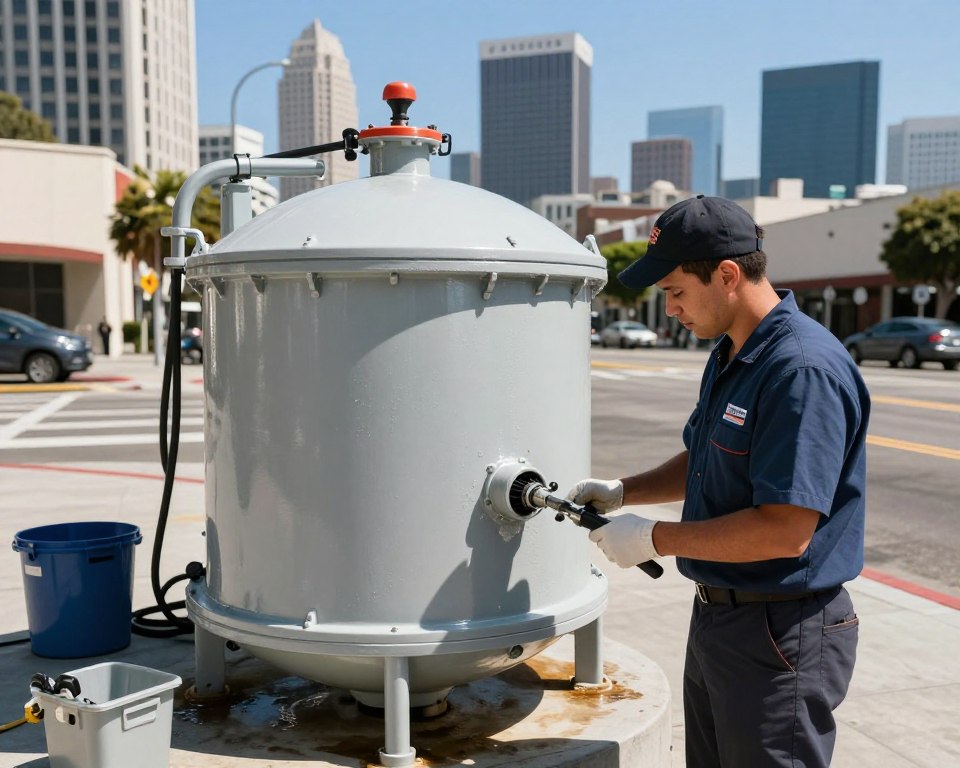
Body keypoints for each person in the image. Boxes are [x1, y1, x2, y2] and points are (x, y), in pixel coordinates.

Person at [569, 195, 869, 767]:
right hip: (720, 619)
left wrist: (655, 538)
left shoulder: (800, 370)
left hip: (781, 633)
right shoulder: (734, 352)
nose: (673, 309)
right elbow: (703, 455)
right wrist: (623, 490)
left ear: (727, 275)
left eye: (676, 292)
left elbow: (785, 532)